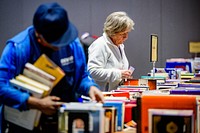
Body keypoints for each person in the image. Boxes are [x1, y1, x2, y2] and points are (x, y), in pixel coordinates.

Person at [0, 2, 104, 133]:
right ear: (39, 36)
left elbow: (82, 77)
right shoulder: (17, 48)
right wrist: (34, 103)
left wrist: (91, 87)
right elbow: (1, 87)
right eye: (55, 43)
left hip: (64, 121)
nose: (61, 46)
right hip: (25, 124)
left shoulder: (72, 43)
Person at [87, 11, 135, 91]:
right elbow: (93, 71)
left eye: (127, 33)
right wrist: (119, 74)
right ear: (112, 32)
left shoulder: (119, 45)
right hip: (102, 95)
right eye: (122, 34)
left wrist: (124, 76)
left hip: (114, 94)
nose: (126, 37)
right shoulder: (100, 45)